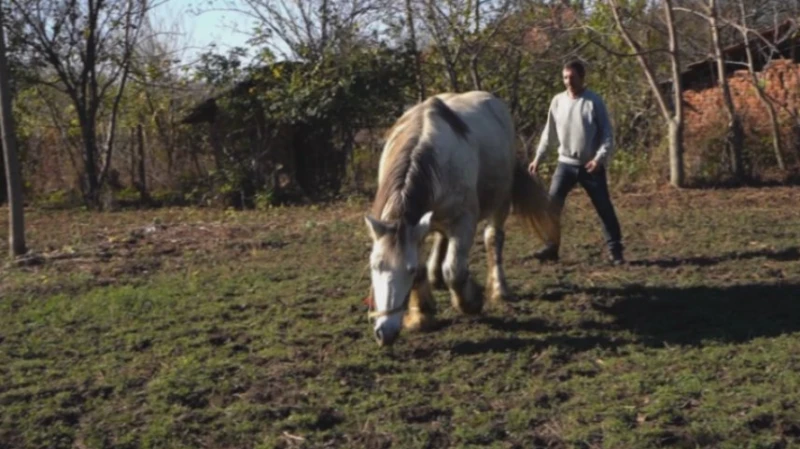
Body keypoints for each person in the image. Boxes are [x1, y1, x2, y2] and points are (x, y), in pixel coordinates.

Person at [528, 60, 624, 265]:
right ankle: (551, 247)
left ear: (582, 77)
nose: (568, 81)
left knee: (604, 208)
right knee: (552, 205)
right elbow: (549, 132)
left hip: (590, 166)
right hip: (565, 164)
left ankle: (616, 250)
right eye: (565, 77)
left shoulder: (593, 101)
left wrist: (599, 159)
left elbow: (607, 135)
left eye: (572, 77)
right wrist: (538, 157)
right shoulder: (557, 101)